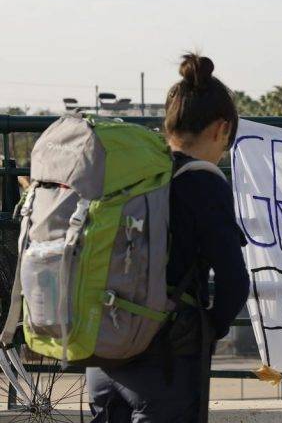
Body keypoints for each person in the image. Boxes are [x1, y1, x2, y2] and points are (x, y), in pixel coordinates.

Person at [86, 53, 250, 422]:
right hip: (166, 364)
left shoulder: (130, 175)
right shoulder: (204, 182)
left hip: (104, 353)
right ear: (221, 129)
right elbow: (234, 281)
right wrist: (209, 330)